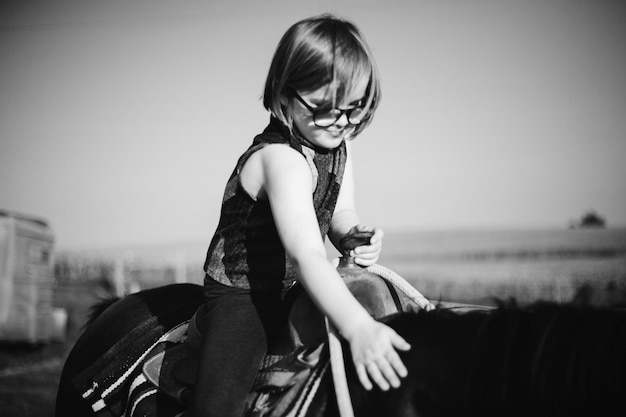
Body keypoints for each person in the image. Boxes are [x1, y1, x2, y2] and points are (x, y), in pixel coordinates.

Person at [189, 14, 411, 417]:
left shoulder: (337, 145)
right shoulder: (280, 160)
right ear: (285, 92)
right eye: (325, 107)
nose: (342, 122)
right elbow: (309, 253)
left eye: (356, 107)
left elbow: (340, 211)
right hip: (245, 293)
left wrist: (351, 236)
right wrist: (358, 327)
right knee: (220, 406)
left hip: (294, 285)